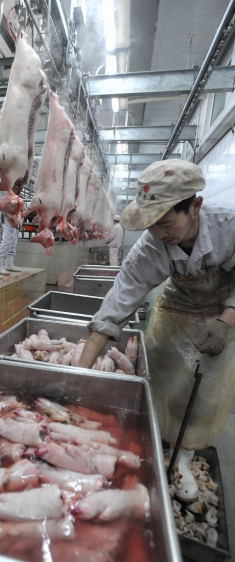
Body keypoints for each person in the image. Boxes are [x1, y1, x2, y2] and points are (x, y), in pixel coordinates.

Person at [78, 159, 235, 502]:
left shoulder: (229, 226)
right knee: (163, 375)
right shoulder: (151, 246)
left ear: (195, 206)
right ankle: (157, 438)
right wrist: (79, 371)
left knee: (205, 388)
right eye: (150, 225)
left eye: (165, 223)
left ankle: (185, 454)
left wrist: (226, 319)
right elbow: (119, 301)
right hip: (177, 306)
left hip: (223, 309)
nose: (158, 234)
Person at [0, 182, 23, 274]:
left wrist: (19, 221)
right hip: (7, 217)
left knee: (13, 240)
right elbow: (1, 205)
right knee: (7, 239)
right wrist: (9, 216)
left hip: (14, 216)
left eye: (20, 187)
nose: (19, 189)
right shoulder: (5, 190)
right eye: (17, 186)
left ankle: (9, 263)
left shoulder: (16, 194)